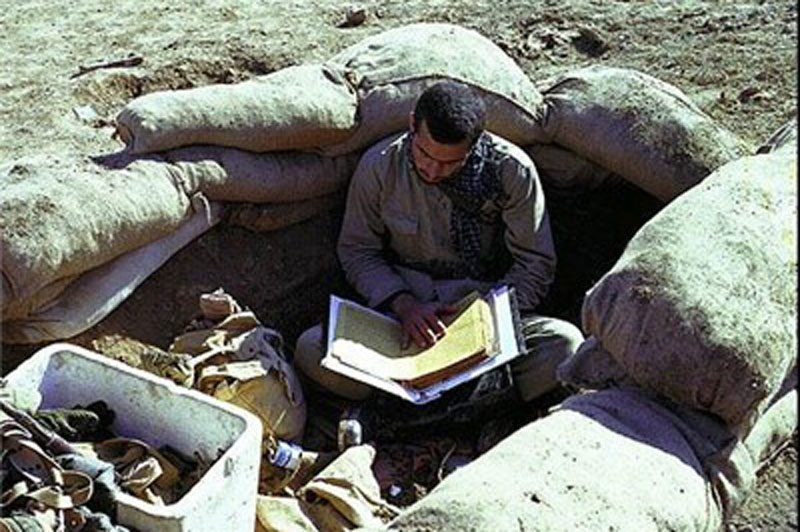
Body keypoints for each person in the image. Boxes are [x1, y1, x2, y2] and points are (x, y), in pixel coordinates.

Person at [295, 80, 583, 405]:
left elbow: (534, 263)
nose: (432, 170)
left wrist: (485, 318)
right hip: (399, 319)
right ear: (412, 126)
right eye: (424, 154)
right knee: (312, 348)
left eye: (449, 163)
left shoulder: (511, 172)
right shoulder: (379, 167)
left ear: (474, 145)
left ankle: (413, 413)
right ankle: (465, 408)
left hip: (480, 314)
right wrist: (404, 304)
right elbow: (358, 251)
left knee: (564, 344)